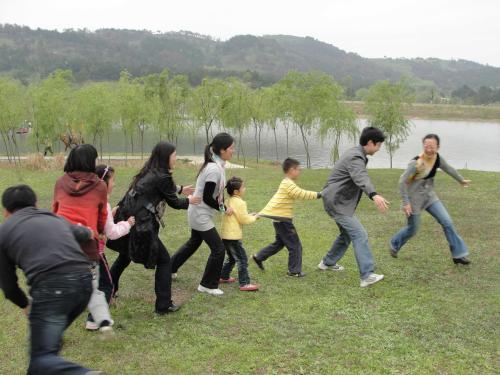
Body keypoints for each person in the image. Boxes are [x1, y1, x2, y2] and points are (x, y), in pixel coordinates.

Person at [0, 185, 104, 374]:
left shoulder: (4, 231)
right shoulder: (54, 218)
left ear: (5, 211)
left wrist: (25, 305)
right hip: (84, 282)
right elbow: (81, 233)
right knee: (43, 352)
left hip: (53, 289)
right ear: (36, 204)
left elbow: (9, 287)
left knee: (42, 358)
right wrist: (89, 232)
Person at [107, 142, 199, 314]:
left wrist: (179, 189)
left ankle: (108, 290)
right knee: (164, 260)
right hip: (140, 223)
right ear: (166, 157)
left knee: (125, 255)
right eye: (174, 155)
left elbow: (161, 188)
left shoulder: (151, 170)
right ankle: (163, 305)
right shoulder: (162, 176)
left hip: (128, 215)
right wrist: (190, 201)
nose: (176, 158)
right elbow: (175, 203)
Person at [318, 126, 390, 287]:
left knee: (346, 234)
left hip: (336, 201)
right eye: (378, 145)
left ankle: (327, 262)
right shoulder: (356, 157)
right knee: (360, 234)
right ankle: (367, 275)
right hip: (336, 202)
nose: (378, 149)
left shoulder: (356, 153)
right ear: (370, 143)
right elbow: (361, 177)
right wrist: (374, 194)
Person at [52, 144, 113, 332]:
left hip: (61, 242)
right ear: (89, 161)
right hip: (87, 245)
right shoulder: (99, 186)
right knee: (92, 287)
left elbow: (54, 211)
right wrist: (101, 231)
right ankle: (97, 319)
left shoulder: (60, 182)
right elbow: (102, 215)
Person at [389, 134, 471, 264]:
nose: (428, 150)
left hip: (429, 197)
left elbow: (448, 168)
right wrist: (406, 203)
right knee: (413, 229)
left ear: (438, 147)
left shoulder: (437, 159)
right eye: (426, 146)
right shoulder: (416, 162)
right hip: (414, 200)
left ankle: (458, 255)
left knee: (447, 222)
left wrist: (461, 180)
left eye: (432, 147)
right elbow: (402, 182)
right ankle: (394, 243)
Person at [171, 132, 235, 296]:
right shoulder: (214, 168)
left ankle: (169, 268)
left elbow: (212, 193)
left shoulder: (216, 165)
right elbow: (207, 197)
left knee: (194, 242)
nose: (233, 151)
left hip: (199, 212)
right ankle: (207, 284)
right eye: (231, 148)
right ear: (222, 150)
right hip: (200, 214)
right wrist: (223, 209)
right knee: (218, 249)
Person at [85, 165, 136, 331]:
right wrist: (127, 224)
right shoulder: (103, 204)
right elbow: (112, 233)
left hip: (78, 249)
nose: (114, 183)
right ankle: (95, 319)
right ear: (104, 182)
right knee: (107, 285)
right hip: (94, 252)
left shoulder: (87, 198)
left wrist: (110, 215)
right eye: (113, 180)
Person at [252, 158, 322, 277]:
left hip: (279, 220)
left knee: (280, 243)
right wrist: (319, 195)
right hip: (283, 221)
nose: (299, 172)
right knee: (295, 245)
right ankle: (294, 271)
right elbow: (300, 193)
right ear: (291, 170)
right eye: (298, 169)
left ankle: (259, 257)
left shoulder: (286, 182)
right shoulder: (288, 184)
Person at [219, 176, 260, 291]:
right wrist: (255, 218)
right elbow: (244, 220)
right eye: (243, 187)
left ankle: (223, 276)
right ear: (237, 191)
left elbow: (238, 216)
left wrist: (249, 215)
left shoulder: (227, 201)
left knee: (232, 257)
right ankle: (245, 283)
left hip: (225, 235)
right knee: (242, 259)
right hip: (233, 237)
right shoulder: (241, 203)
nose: (245, 189)